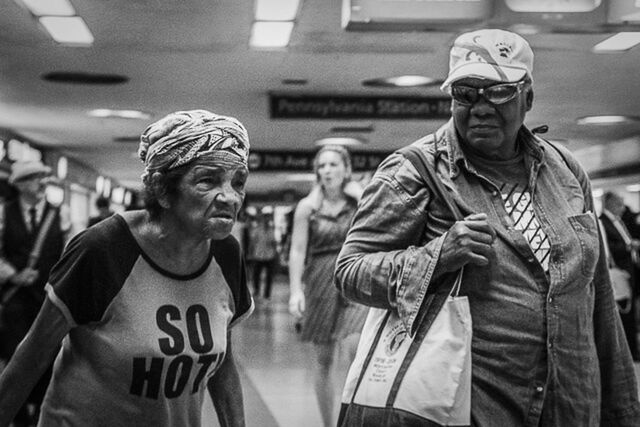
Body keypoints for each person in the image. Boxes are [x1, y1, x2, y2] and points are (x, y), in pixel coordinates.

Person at [334, 29, 640, 425]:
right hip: (474, 402)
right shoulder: (414, 172)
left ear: (527, 96)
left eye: (498, 92)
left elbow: (596, 295)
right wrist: (436, 256)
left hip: (570, 403)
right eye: (465, 93)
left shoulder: (565, 170)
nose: (480, 107)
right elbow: (350, 271)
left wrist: (623, 410)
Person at [0, 110, 254, 427]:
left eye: (238, 183)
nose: (230, 197)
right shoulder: (102, 249)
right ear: (162, 190)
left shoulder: (227, 255)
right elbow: (31, 359)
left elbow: (223, 360)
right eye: (208, 180)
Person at [288, 145, 368, 426]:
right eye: (322, 166)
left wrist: (361, 195)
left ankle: (353, 419)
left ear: (346, 169)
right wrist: (296, 291)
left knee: (355, 351)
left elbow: (377, 228)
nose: (327, 170)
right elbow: (298, 250)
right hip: (321, 280)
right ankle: (328, 422)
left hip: (354, 277)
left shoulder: (359, 201)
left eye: (333, 164)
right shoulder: (308, 207)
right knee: (323, 361)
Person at [0, 160, 69, 427]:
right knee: (17, 353)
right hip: (14, 299)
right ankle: (17, 415)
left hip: (49, 298)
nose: (40, 182)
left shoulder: (60, 215)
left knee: (48, 354)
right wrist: (13, 274)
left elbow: (68, 254)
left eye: (42, 177)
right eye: (33, 178)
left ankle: (41, 411)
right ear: (18, 185)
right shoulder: (4, 214)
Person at [600, 191, 640, 360]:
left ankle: (633, 349)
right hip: (619, 274)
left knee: (631, 312)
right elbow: (608, 249)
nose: (623, 208)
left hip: (630, 271)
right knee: (624, 315)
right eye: (619, 204)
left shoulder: (619, 221)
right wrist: (628, 246)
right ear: (610, 203)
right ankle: (629, 352)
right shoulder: (603, 222)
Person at [246, 210, 278, 300]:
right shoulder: (257, 229)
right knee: (256, 275)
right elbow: (252, 242)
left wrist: (275, 250)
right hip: (258, 255)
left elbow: (274, 242)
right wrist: (250, 253)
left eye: (268, 217)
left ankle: (267, 294)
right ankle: (256, 291)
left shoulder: (272, 229)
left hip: (269, 256)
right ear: (262, 218)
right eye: (265, 217)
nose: (267, 219)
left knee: (269, 276)